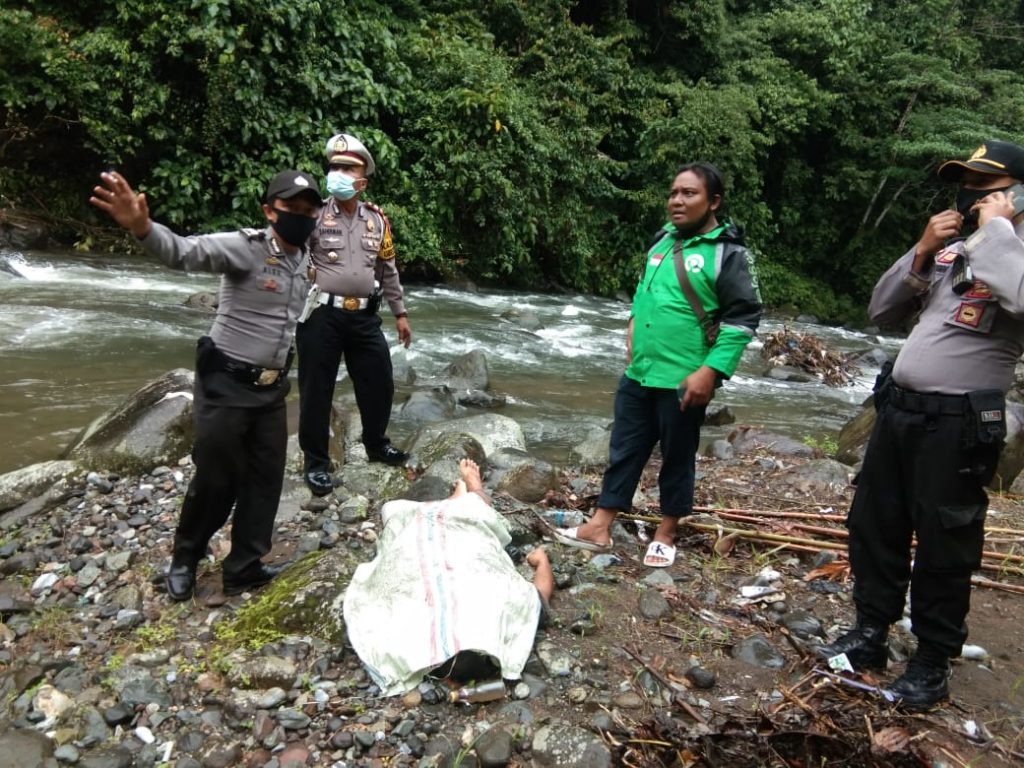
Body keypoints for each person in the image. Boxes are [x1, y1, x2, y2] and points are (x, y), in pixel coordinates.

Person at [816, 139, 1024, 710]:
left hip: (958, 424)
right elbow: (882, 312)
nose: (973, 196)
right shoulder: (955, 251)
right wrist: (923, 248)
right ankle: (870, 634)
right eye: (968, 185)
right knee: (874, 524)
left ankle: (931, 661)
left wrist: (999, 232)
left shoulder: (1012, 250)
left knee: (944, 543)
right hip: (899, 410)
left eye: (987, 187)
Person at [89, 169, 323, 601]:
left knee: (265, 479)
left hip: (271, 388)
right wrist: (142, 227)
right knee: (216, 478)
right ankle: (185, 559)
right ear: (270, 211)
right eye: (292, 208)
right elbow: (182, 252)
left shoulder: (306, 257)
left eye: (310, 210)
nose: (302, 217)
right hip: (226, 383)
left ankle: (244, 567)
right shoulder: (244, 248)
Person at [553, 162, 762, 568]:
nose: (677, 201)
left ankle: (666, 532)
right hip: (640, 370)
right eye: (673, 193)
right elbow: (644, 291)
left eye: (689, 194)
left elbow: (743, 319)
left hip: (685, 377)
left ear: (713, 201)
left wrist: (710, 372)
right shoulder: (661, 241)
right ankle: (600, 525)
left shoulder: (729, 254)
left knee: (677, 455)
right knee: (624, 449)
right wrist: (632, 323)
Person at [343, 459, 554, 695]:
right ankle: (468, 491)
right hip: (447, 535)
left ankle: (465, 494)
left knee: (412, 516)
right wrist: (543, 560)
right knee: (467, 516)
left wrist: (541, 562)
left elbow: (539, 597)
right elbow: (540, 598)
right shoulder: (505, 608)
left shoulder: (509, 615)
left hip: (420, 531)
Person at [297, 133, 412, 496]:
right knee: (317, 389)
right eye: (334, 166)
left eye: (348, 167)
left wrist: (401, 313)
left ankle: (376, 444)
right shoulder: (313, 214)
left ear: (363, 178)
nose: (339, 173)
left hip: (364, 317)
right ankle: (315, 463)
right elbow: (294, 262)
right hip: (321, 314)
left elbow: (388, 269)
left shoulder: (377, 221)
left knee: (380, 381)